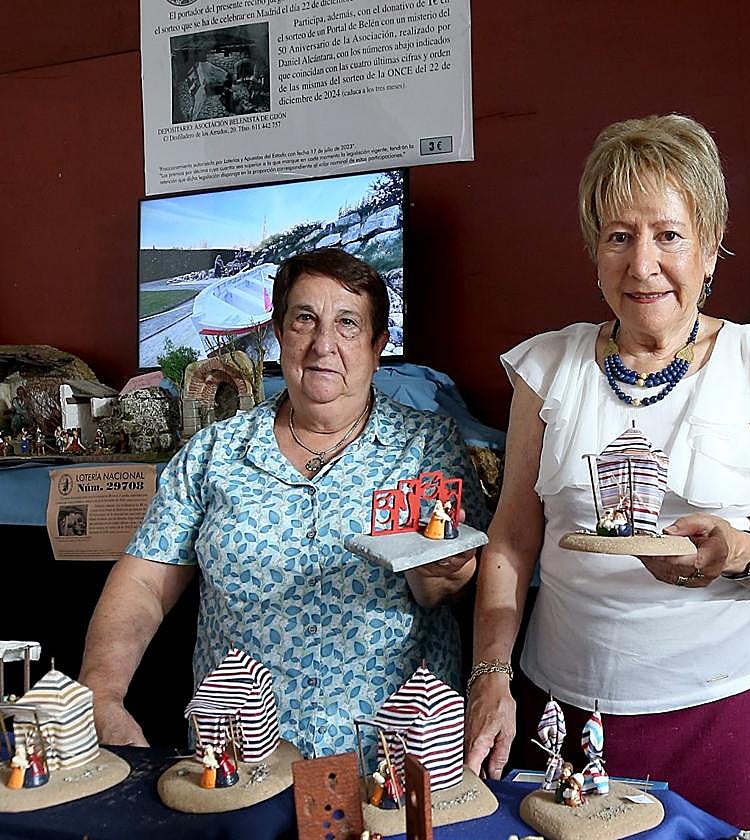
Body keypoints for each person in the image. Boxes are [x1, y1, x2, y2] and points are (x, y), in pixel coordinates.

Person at [464, 114, 750, 830]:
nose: (642, 263)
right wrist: (490, 678)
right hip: (560, 705)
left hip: (719, 709)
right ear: (595, 252)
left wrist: (739, 555)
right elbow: (509, 543)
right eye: (619, 237)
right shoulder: (546, 368)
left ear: (711, 249)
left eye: (669, 235)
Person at [79, 247, 486, 757]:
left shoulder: (427, 446)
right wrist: (101, 694)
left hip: (386, 763)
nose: (324, 344)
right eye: (304, 320)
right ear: (278, 332)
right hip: (235, 760)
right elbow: (143, 582)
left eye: (348, 324)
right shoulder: (214, 453)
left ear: (379, 344)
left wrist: (442, 580)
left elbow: (452, 591)